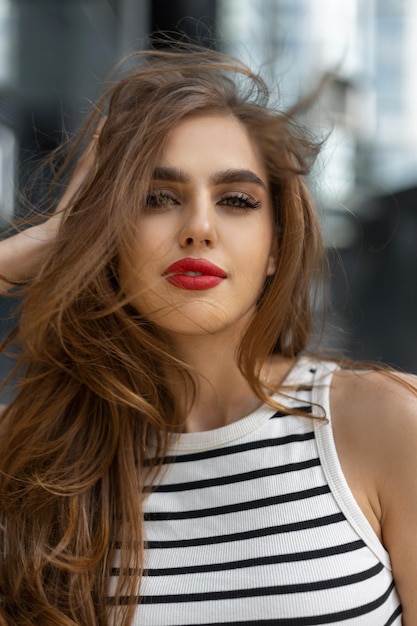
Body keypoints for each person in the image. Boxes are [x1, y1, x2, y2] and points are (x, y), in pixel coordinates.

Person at [0, 43, 416, 626]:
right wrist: (30, 251)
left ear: (275, 246)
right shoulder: (36, 458)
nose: (198, 226)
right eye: (156, 198)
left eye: (236, 201)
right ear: (110, 234)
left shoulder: (385, 425)